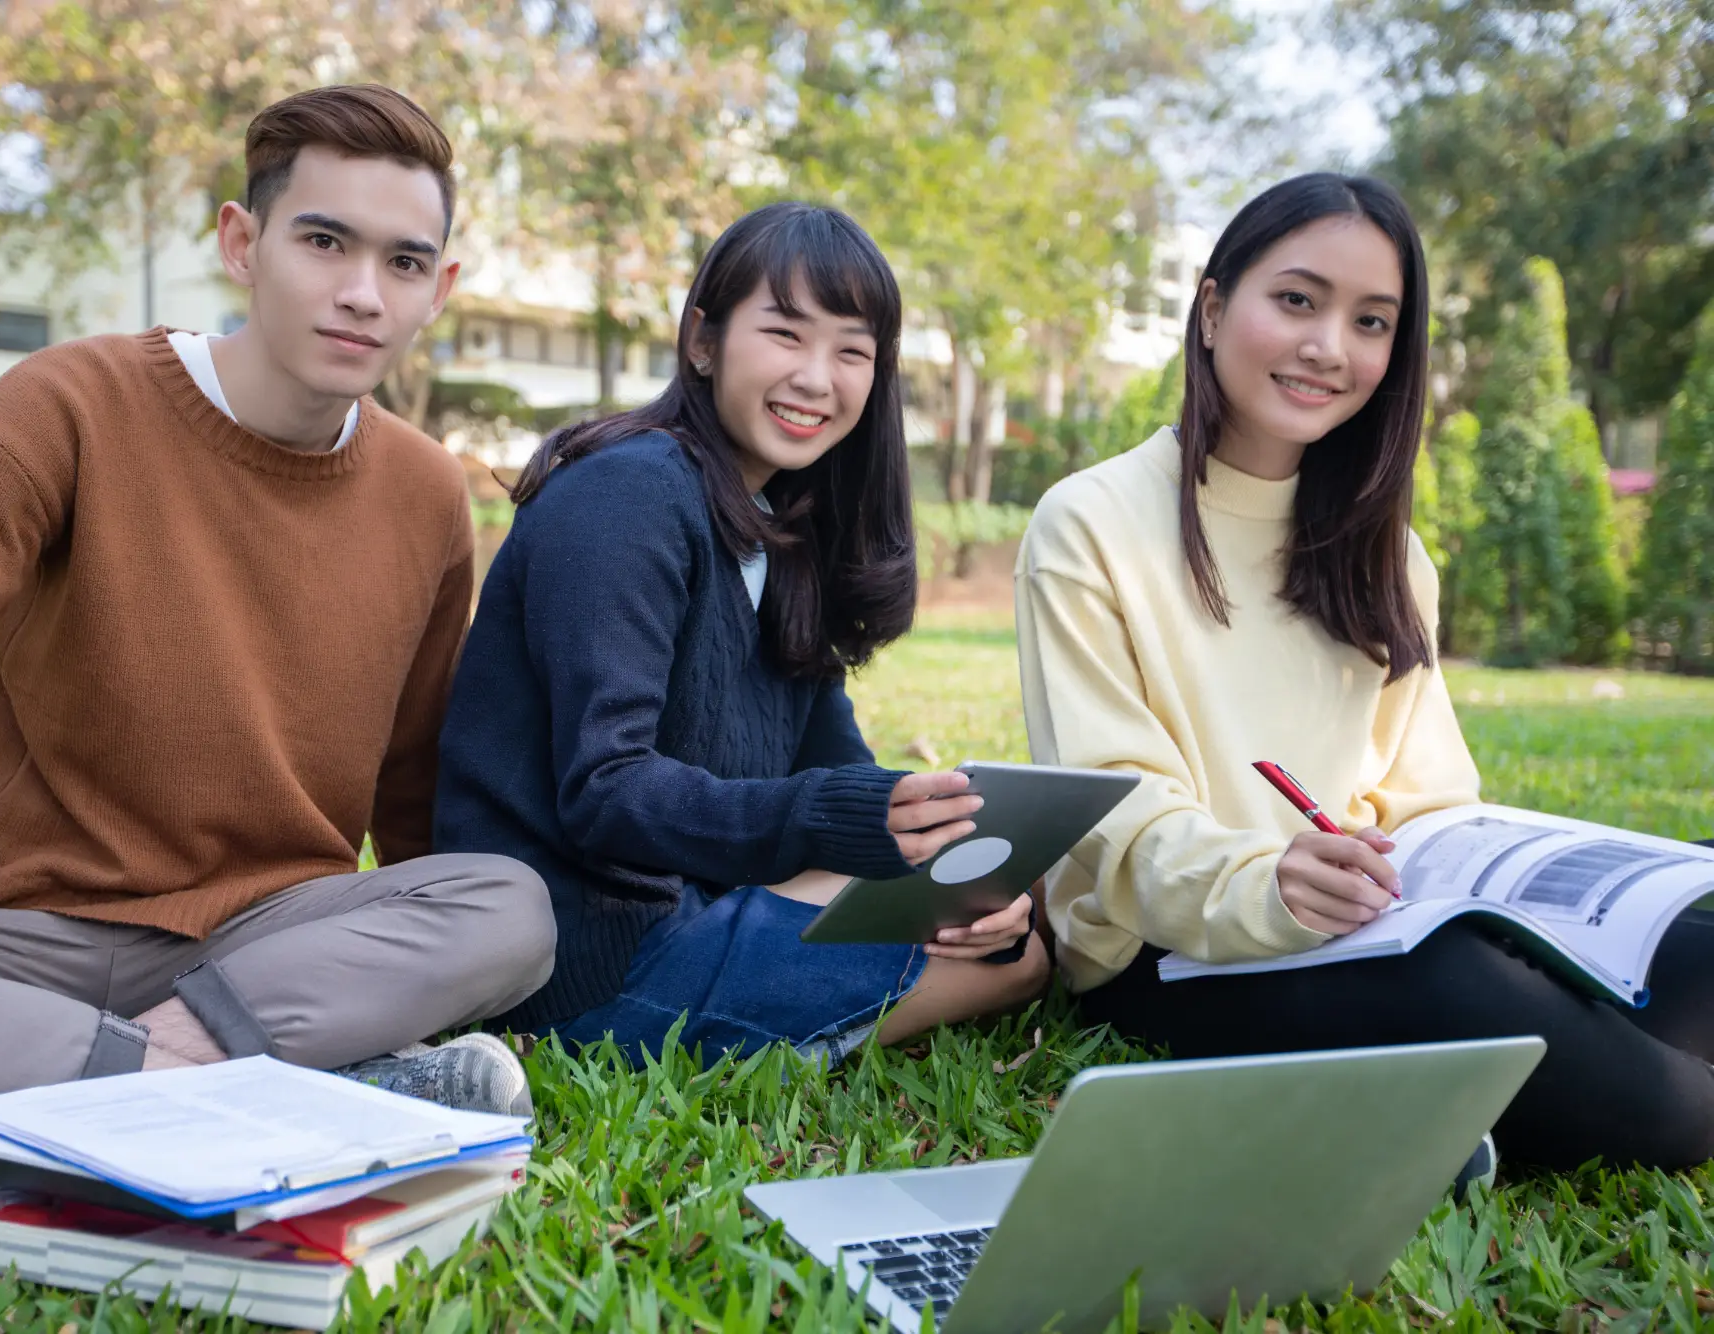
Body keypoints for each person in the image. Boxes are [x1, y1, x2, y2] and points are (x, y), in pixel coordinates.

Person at [0, 84, 558, 1172]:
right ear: (240, 243)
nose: (360, 292)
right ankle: (235, 1088)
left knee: (509, 908)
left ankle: (15, 1098)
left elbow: (410, 776)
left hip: (259, 941)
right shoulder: (64, 406)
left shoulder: (425, 495)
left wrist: (426, 965)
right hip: (2, 931)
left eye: (401, 262)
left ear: (438, 287)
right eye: (322, 240)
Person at [1016, 171, 1714, 1170]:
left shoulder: (1389, 555)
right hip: (1169, 951)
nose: (1327, 347)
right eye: (1295, 300)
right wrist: (1271, 878)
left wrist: (1419, 865)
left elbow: (1430, 797)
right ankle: (1539, 1095)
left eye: (1370, 321)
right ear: (1211, 308)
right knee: (1660, 1108)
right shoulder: (1090, 523)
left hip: (1372, 927)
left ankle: (1472, 1093)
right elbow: (1115, 815)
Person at [434, 202, 1049, 1067]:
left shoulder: (783, 529)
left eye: (852, 351)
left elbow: (835, 768)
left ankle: (790, 1031)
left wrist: (932, 842)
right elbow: (605, 788)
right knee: (1006, 968)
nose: (816, 377)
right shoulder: (627, 496)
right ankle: (758, 1044)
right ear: (702, 340)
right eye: (786, 333)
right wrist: (839, 823)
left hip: (694, 905)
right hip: (582, 959)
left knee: (1006, 927)